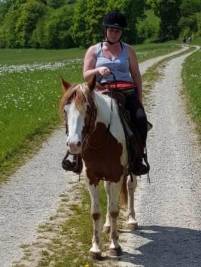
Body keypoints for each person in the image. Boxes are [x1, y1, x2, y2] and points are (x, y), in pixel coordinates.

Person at [62, 11, 150, 175]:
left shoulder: (129, 50)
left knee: (140, 119)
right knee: (82, 117)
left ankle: (138, 158)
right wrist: (98, 70)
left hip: (126, 92)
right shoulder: (94, 50)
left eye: (118, 31)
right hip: (102, 93)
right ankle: (74, 157)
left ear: (121, 32)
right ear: (105, 30)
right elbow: (86, 74)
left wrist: (139, 97)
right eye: (111, 30)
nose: (114, 33)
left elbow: (136, 75)